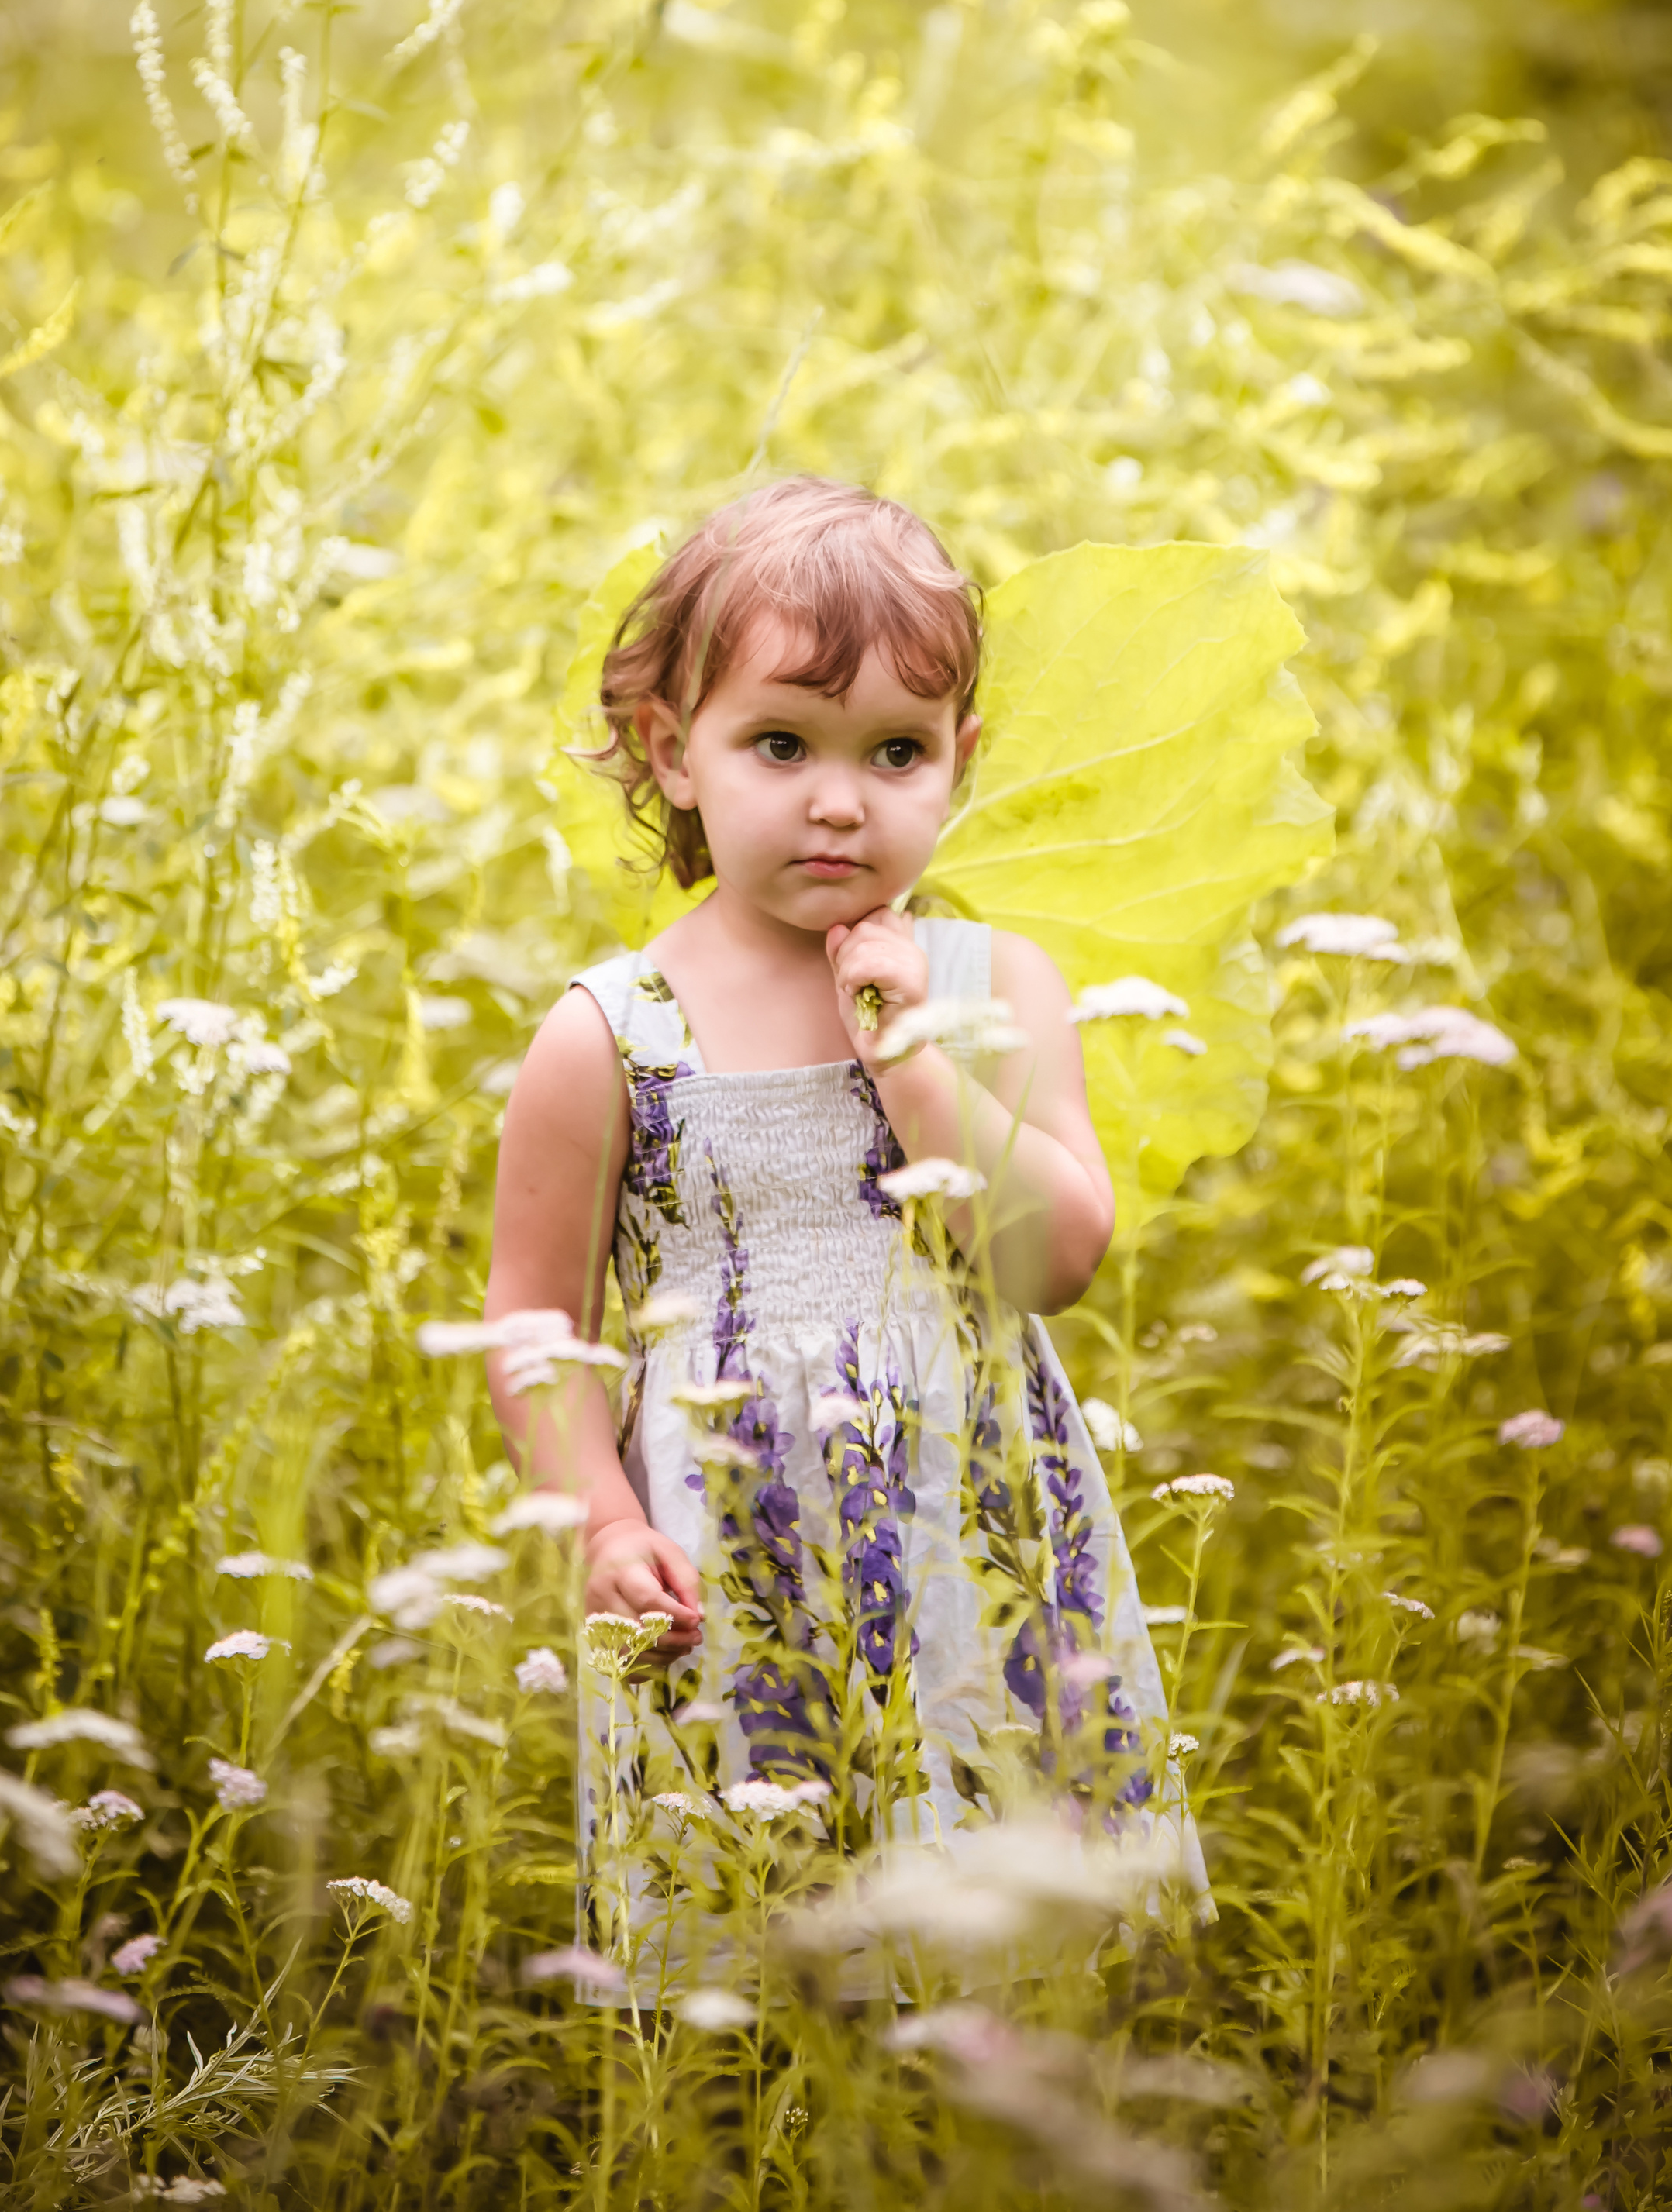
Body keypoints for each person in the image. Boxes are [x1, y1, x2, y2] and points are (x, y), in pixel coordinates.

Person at [483, 476, 1208, 1983]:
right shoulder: (610, 1035)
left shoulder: (993, 983)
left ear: (960, 757)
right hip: (727, 1547)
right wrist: (606, 1522)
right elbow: (535, 1322)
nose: (838, 797)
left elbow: (1056, 1257)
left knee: (1007, 1929)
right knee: (768, 1957)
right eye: (779, 744)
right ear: (675, 755)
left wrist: (916, 1063)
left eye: (894, 749)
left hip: (968, 1525)